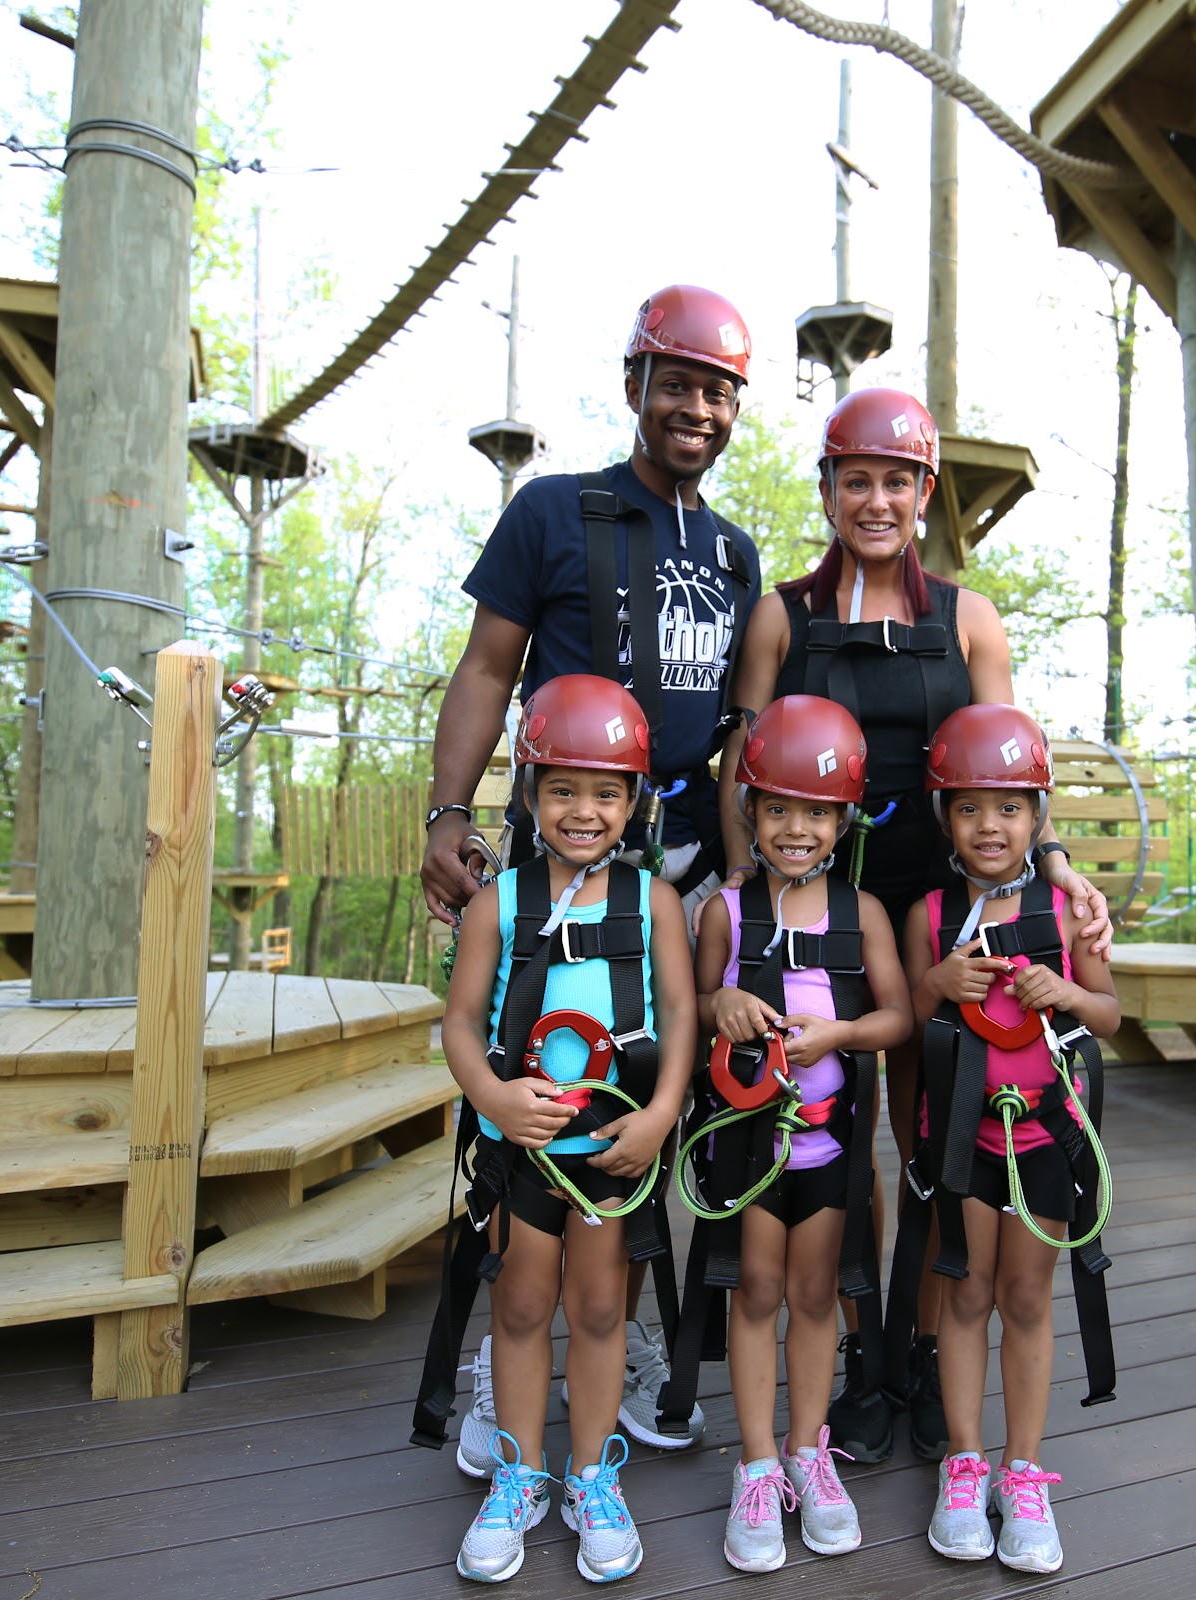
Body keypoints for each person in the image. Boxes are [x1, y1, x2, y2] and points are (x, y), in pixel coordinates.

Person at [724, 385, 1111, 1463]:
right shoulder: (783, 615)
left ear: (924, 492)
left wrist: (1056, 867)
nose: (877, 501)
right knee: (839, 1133)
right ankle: (861, 1356)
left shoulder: (968, 617)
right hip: (827, 905)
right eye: (857, 479)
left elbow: (1009, 763)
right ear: (828, 489)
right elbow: (743, 763)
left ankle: (936, 1354)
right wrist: (742, 880)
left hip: (951, 911)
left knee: (939, 1136)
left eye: (897, 481)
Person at [422, 285, 765, 1463]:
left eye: (718, 391)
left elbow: (736, 735)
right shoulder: (553, 513)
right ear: (635, 387)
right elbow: (486, 666)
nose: (697, 408)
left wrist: (737, 874)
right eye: (678, 383)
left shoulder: (734, 554)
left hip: (675, 856)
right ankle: (501, 1355)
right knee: (532, 1093)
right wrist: (447, 812)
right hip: (559, 838)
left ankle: (623, 1337)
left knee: (650, 1096)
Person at [427, 676, 697, 1585]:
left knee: (599, 1311)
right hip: (525, 1157)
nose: (584, 811)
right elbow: (461, 1023)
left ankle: (590, 1478)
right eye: (563, 790)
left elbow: (681, 1017)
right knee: (519, 1307)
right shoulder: (497, 904)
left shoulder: (654, 903)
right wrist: (492, 1098)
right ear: (531, 793)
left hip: (613, 1158)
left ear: (635, 802)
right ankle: (518, 1475)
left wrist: (660, 1115)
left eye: (606, 793)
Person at [677, 696, 910, 1571]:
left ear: (843, 820)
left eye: (817, 813)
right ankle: (756, 1465)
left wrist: (840, 1034)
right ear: (751, 811)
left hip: (827, 1151)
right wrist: (725, 1003)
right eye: (777, 809)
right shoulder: (726, 914)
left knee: (814, 1296)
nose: (797, 829)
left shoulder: (863, 914)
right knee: (757, 1291)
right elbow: (697, 1004)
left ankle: (810, 1455)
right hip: (745, 1147)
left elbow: (896, 1017)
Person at [898, 703, 1119, 1575]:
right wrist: (937, 981)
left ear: (1038, 816)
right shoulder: (930, 912)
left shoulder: (1066, 912)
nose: (989, 825)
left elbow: (1109, 1013)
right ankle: (964, 1464)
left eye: (1010, 807)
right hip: (961, 1141)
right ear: (944, 816)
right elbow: (907, 1018)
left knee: (1027, 1298)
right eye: (968, 807)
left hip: (1045, 1140)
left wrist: (1067, 995)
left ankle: (1023, 1474)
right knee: (964, 1294)